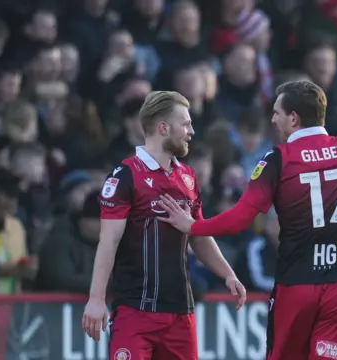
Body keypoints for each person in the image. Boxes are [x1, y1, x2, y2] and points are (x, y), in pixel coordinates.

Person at [156, 80, 337, 360]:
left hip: (296, 285)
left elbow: (240, 218)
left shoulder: (277, 160)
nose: (273, 119)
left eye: (277, 112)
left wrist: (194, 226)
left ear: (294, 118)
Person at [81, 91, 247, 360]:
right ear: (163, 128)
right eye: (186, 124)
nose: (192, 131)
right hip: (135, 311)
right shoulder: (125, 176)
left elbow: (199, 234)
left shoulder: (188, 177)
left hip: (181, 313)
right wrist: (96, 298)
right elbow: (108, 242)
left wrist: (227, 273)